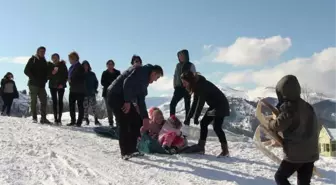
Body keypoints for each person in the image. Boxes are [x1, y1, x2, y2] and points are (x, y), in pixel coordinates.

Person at [264, 75, 321, 185]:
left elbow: (278, 125)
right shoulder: (307, 106)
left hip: (296, 154)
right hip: (311, 153)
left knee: (280, 177)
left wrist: (269, 123)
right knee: (304, 182)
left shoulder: (289, 107)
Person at [107, 64, 163, 160]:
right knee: (124, 121)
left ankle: (133, 149)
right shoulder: (142, 71)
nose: (155, 81)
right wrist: (128, 101)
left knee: (136, 120)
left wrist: (145, 118)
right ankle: (125, 152)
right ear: (153, 73)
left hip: (123, 97)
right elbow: (127, 82)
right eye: (156, 77)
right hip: (115, 95)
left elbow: (141, 100)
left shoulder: (144, 80)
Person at [181, 72, 230, 157]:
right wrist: (188, 117)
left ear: (190, 81)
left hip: (221, 106)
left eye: (184, 83)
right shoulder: (196, 85)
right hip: (214, 106)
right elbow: (195, 103)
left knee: (217, 127)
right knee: (203, 123)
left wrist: (196, 117)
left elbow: (201, 103)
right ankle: (201, 147)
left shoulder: (201, 85)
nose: (184, 85)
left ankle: (225, 150)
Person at [24, 46, 51, 124]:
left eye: (44, 51)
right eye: (41, 51)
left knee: (44, 101)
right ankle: (34, 118)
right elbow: (26, 71)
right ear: (37, 51)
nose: (42, 52)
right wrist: (33, 78)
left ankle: (43, 118)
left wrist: (46, 79)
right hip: (33, 84)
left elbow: (46, 73)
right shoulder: (33, 59)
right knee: (34, 101)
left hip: (42, 85)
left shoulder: (45, 61)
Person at [170, 49, 196, 125]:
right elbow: (175, 75)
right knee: (172, 104)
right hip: (178, 88)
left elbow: (194, 76)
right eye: (179, 56)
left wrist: (191, 86)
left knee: (187, 105)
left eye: (182, 55)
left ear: (186, 56)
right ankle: (172, 120)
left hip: (187, 87)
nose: (180, 57)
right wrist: (174, 85)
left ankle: (187, 122)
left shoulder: (190, 65)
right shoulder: (177, 65)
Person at [48, 53, 68, 125]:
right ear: (52, 59)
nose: (55, 59)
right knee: (54, 102)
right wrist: (52, 73)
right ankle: (55, 118)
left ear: (58, 58)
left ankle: (59, 118)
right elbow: (47, 76)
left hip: (60, 86)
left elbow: (66, 75)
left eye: (56, 57)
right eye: (53, 58)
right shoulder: (50, 66)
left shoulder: (62, 65)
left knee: (60, 102)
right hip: (52, 85)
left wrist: (62, 84)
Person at [67, 52, 85, 127]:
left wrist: (71, 79)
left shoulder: (80, 67)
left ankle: (79, 122)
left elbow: (81, 78)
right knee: (71, 105)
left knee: (80, 106)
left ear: (74, 58)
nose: (69, 60)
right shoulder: (71, 67)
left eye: (70, 59)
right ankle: (73, 121)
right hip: (72, 89)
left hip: (80, 90)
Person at [101, 60, 120, 127]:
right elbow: (102, 82)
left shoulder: (117, 72)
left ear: (113, 65)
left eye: (111, 64)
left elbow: (119, 81)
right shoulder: (104, 73)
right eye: (109, 64)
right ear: (107, 65)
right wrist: (110, 84)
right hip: (107, 93)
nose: (110, 66)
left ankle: (118, 123)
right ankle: (110, 123)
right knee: (109, 109)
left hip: (115, 93)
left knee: (116, 108)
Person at [82, 60, 101, 125]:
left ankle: (96, 120)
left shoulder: (92, 74)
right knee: (85, 108)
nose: (85, 67)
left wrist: (95, 89)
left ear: (88, 66)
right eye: (84, 65)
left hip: (92, 93)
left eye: (86, 65)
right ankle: (86, 119)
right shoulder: (81, 74)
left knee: (94, 108)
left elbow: (96, 82)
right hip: (84, 94)